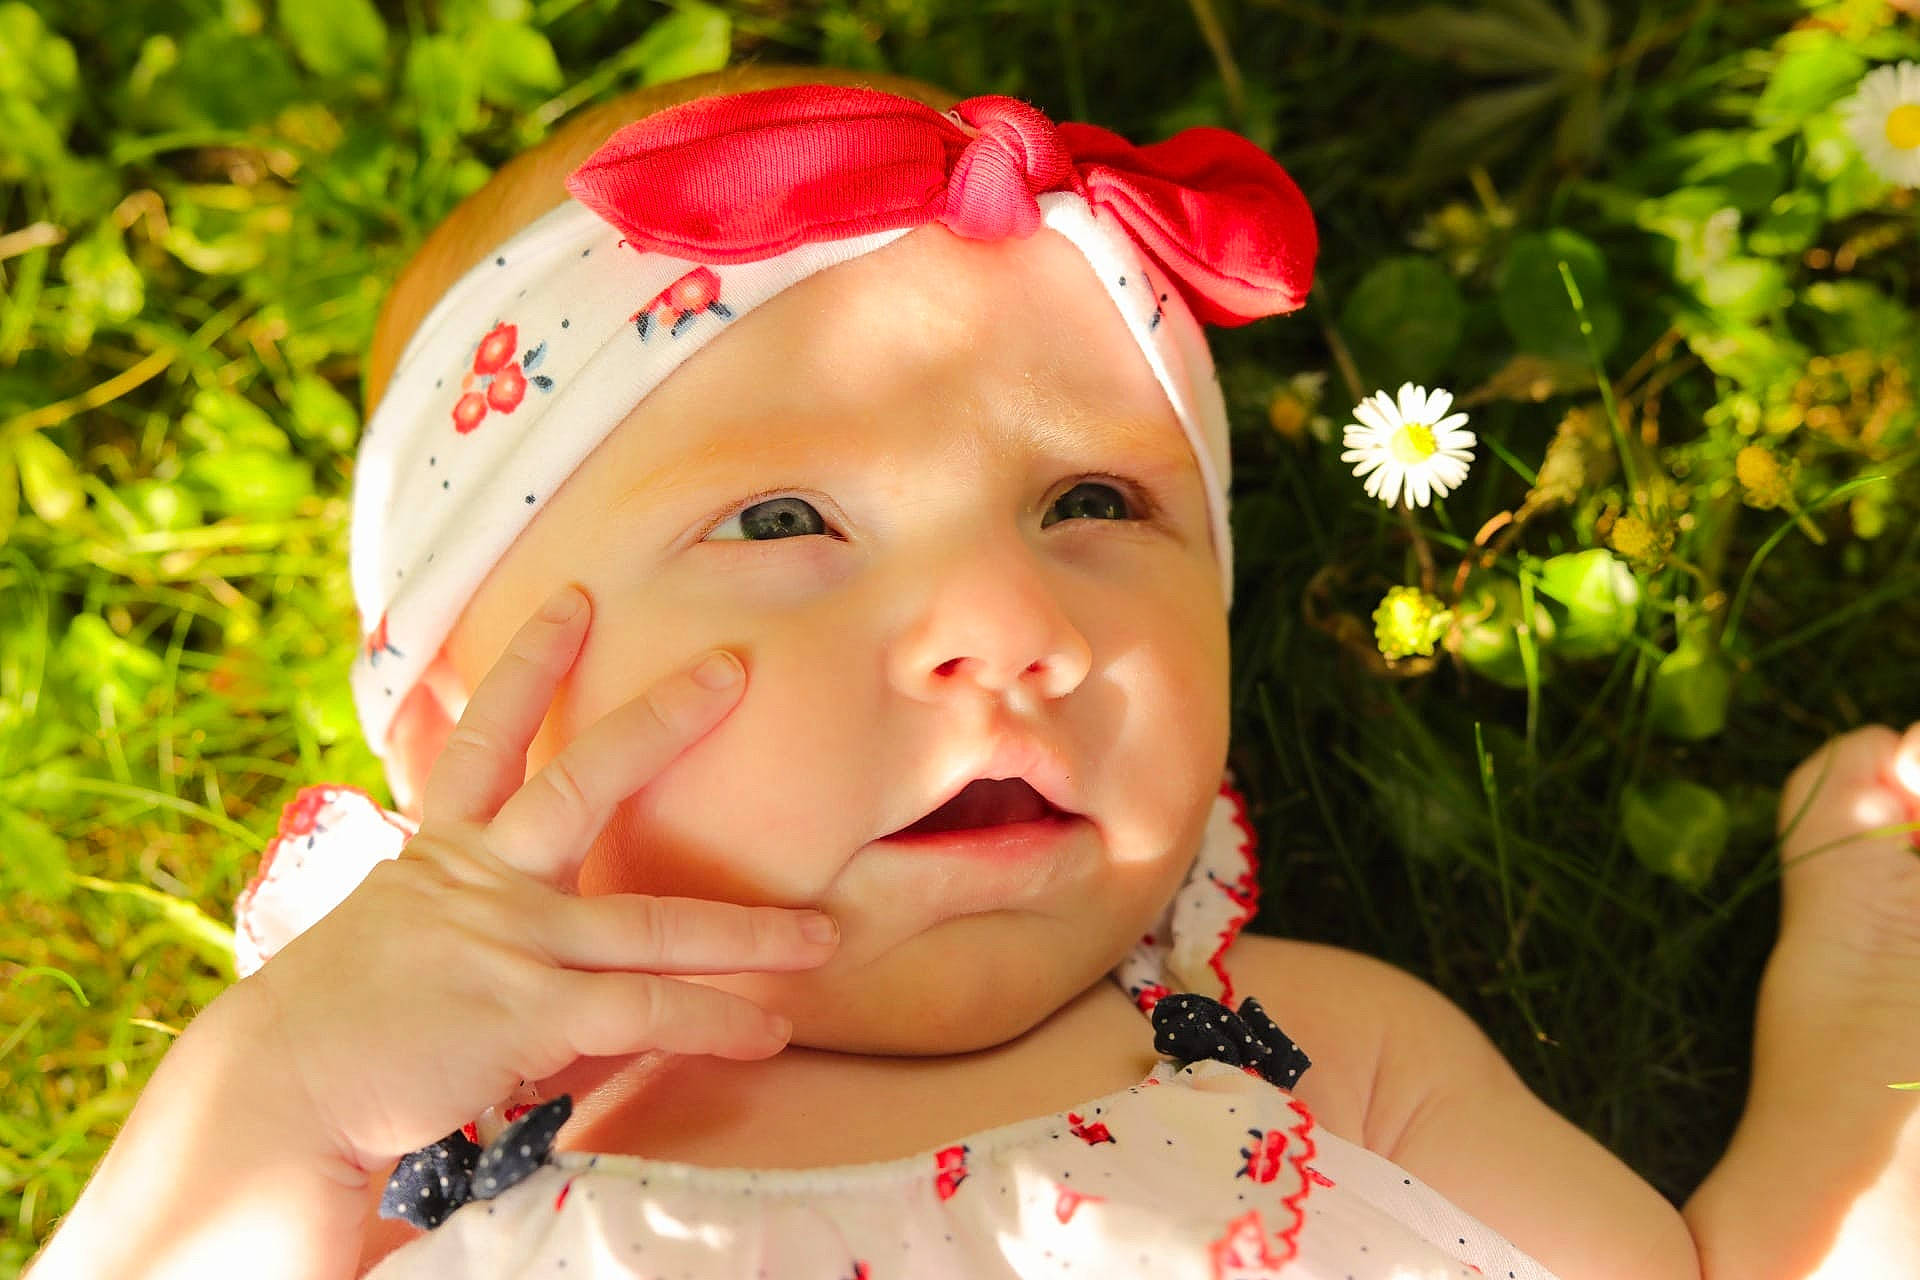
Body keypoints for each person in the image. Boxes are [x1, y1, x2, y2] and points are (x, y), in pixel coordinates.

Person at [27, 63, 1920, 1280]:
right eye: (781, 525)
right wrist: (279, 1090)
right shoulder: (424, 1147)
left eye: (1094, 499)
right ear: (458, 718)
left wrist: (1864, 978)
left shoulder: (1312, 1058)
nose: (1017, 627)